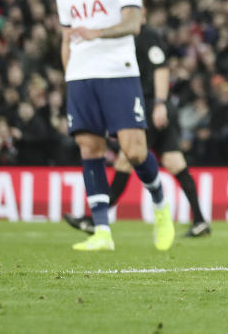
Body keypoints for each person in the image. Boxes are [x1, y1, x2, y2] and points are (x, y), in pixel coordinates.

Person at [55, 0, 174, 251]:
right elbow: (67, 39)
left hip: (118, 72)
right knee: (89, 149)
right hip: (80, 77)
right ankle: (102, 232)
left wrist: (98, 32)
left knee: (134, 150)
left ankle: (161, 205)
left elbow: (133, 22)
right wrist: (69, 79)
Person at [63, 21, 211, 238]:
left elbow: (161, 68)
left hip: (148, 106)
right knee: (174, 161)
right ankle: (200, 221)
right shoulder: (122, 39)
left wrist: (160, 103)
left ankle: (96, 220)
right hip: (146, 105)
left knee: (125, 159)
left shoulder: (147, 36)